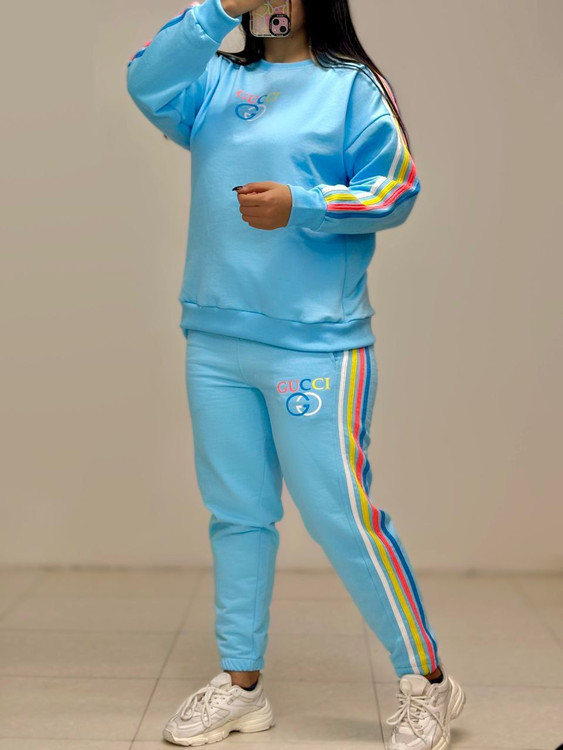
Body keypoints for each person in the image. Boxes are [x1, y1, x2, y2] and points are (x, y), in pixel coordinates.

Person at [126, 0, 466, 747]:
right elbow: (145, 79)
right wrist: (218, 10)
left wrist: (302, 204)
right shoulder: (213, 82)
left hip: (315, 346)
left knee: (340, 515)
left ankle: (428, 682)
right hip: (215, 336)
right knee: (238, 513)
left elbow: (396, 190)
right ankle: (240, 686)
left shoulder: (351, 87)